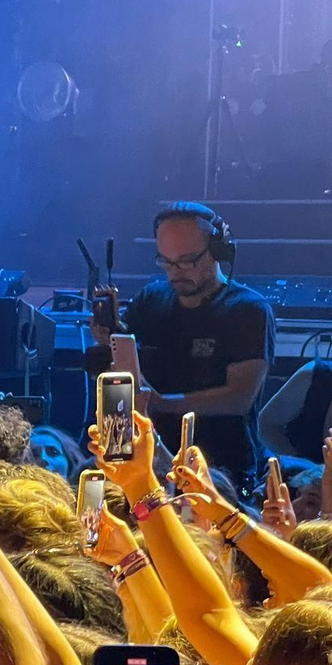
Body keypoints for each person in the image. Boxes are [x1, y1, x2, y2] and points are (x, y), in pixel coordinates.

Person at [108, 202, 274, 485]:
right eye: (166, 262)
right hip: (144, 466)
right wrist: (109, 341)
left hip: (220, 473)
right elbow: (123, 382)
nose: (176, 271)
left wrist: (161, 403)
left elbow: (238, 398)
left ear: (218, 251)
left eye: (187, 260)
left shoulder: (247, 310)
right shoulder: (150, 301)